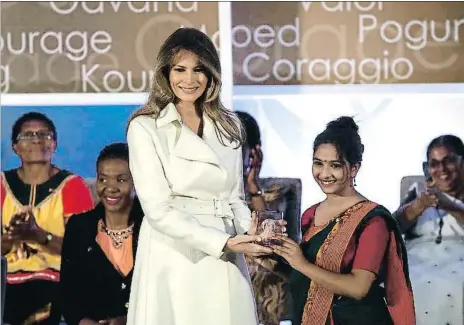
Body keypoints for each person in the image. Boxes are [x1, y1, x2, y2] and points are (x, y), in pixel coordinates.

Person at [125, 27, 275, 325]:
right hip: (173, 251)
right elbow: (157, 210)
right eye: (180, 69)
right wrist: (223, 243)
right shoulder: (145, 127)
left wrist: (256, 232)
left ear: (211, 74)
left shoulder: (228, 125)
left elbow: (234, 199)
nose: (189, 80)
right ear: (165, 72)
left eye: (199, 70)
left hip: (226, 251)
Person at [271, 116, 416, 325]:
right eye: (318, 163)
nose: (324, 173)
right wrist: (272, 263)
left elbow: (358, 287)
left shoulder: (373, 221)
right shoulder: (311, 214)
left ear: (354, 169)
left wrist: (300, 262)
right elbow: (309, 278)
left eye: (335, 165)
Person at [1, 112, 94, 325]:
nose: (36, 139)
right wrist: (12, 237)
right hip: (6, 283)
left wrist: (39, 235)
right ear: (15, 146)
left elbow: (84, 252)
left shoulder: (72, 186)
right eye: (28, 135)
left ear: (55, 144)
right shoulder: (1, 185)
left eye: (44, 134)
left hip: (56, 281)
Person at [60, 143, 144, 325]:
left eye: (121, 180)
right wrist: (84, 322)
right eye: (103, 179)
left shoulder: (151, 227)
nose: (110, 188)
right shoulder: (79, 226)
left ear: (137, 181)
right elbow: (68, 294)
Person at [393, 134, 464, 325]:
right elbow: (393, 227)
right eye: (434, 163)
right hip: (417, 257)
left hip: (459, 258)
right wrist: (419, 205)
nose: (442, 170)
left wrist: (449, 205)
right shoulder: (417, 191)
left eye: (449, 161)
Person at [236, 111, 293, 325]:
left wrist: (253, 189)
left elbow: (269, 243)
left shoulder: (276, 193)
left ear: (253, 152)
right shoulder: (209, 193)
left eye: (237, 147)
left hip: (263, 282)